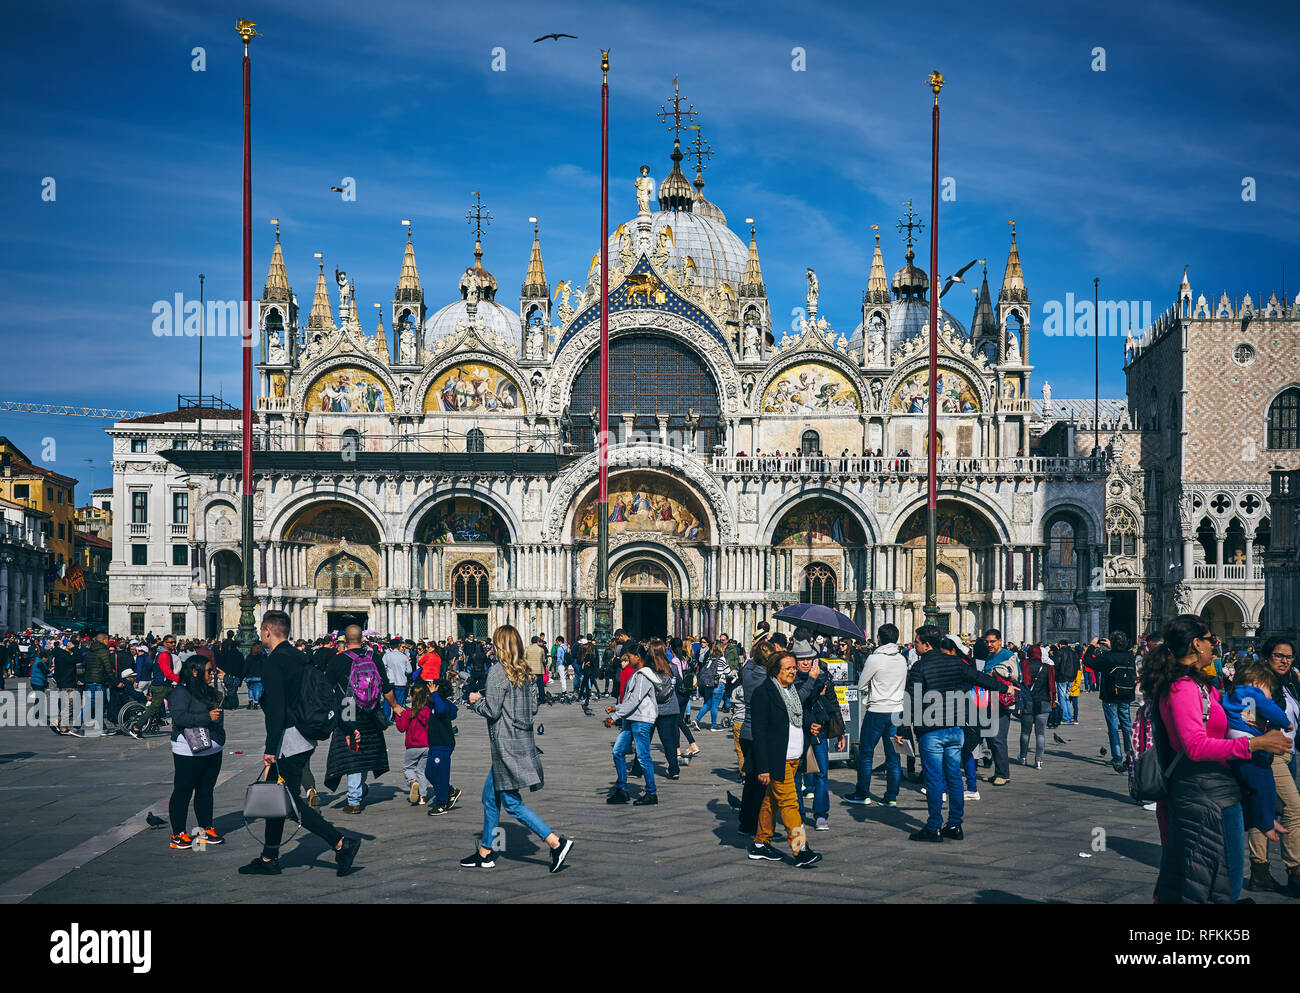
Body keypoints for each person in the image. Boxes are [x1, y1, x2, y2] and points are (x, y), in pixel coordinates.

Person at [1145, 614, 1290, 903]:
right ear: (1196, 644)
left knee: (1209, 880)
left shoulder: (1199, 685)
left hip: (1213, 792)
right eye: (1211, 639)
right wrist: (1256, 743)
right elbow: (1195, 746)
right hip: (1204, 796)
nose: (1216, 644)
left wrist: (1260, 811)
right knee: (1224, 879)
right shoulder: (1182, 687)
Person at [239, 610, 361, 877]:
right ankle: (269, 857)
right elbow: (325, 693)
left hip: (288, 739)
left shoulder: (275, 662)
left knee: (289, 803)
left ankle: (341, 843)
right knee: (276, 799)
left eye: (262, 631)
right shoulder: (301, 656)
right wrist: (346, 725)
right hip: (304, 737)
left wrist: (271, 748)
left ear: (267, 631)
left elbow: (277, 710)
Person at [461, 625, 573, 872]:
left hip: (505, 746)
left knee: (511, 804)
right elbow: (533, 708)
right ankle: (486, 852)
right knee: (490, 798)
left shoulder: (498, 672)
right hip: (522, 741)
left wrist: (475, 701)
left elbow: (492, 710)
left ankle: (556, 842)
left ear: (499, 645)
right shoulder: (526, 672)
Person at [907, 625, 1005, 842]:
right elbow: (981, 678)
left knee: (934, 780)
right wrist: (1005, 688)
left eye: (917, 642)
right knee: (954, 778)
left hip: (931, 731)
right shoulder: (956, 663)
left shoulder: (919, 667)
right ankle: (955, 825)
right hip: (955, 730)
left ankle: (933, 827)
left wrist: (904, 729)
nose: (914, 645)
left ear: (926, 644)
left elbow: (912, 701)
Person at [747, 650, 822, 867]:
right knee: (790, 804)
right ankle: (801, 849)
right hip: (776, 758)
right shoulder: (764, 693)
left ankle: (760, 844)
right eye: (788, 668)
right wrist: (763, 767)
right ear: (775, 670)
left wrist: (809, 726)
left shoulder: (790, 690)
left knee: (771, 802)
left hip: (793, 757)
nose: (793, 671)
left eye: (793, 667)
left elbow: (793, 719)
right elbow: (759, 733)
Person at [1245, 635, 1300, 895]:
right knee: (1294, 808)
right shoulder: (1259, 682)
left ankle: (1260, 872)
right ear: (1268, 657)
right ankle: (1295, 869)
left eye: (1288, 656)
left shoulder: (1290, 683)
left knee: (1264, 809)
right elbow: (1247, 718)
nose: (1284, 660)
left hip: (1289, 754)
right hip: (1269, 754)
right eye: (1279, 655)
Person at [324, 626, 395, 813]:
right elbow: (386, 686)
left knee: (352, 752)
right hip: (371, 709)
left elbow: (326, 688)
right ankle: (360, 789)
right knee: (363, 751)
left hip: (348, 707)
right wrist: (395, 706)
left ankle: (354, 799)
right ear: (362, 639)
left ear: (344, 640)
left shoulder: (337, 660)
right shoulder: (373, 658)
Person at [1221, 658, 1293, 843]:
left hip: (1234, 741)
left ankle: (1266, 820)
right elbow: (1270, 708)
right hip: (1248, 743)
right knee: (1264, 782)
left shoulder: (1232, 694)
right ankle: (1267, 823)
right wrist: (1286, 723)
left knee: (1252, 785)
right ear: (1256, 683)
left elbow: (1247, 715)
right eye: (1268, 689)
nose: (1269, 695)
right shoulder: (1253, 693)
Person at [166, 656, 226, 849]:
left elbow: (230, 702)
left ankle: (205, 828)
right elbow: (180, 717)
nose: (211, 674)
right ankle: (178, 834)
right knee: (183, 791)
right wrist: (206, 716)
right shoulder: (180, 692)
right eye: (208, 671)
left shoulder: (208, 691)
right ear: (194, 671)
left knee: (206, 791)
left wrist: (227, 683)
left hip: (212, 748)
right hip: (188, 750)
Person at [846, 624, 906, 806]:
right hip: (896, 711)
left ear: (879, 638)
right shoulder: (902, 659)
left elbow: (862, 684)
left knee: (866, 753)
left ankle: (862, 793)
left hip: (877, 711)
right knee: (893, 756)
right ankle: (891, 797)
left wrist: (874, 686)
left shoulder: (875, 659)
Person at [604, 642, 661, 805]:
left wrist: (615, 716)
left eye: (629, 656)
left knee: (643, 757)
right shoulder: (637, 674)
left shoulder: (644, 675)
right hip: (631, 718)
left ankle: (651, 792)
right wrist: (616, 707)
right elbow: (630, 701)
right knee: (618, 751)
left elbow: (635, 701)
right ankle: (622, 789)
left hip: (641, 720)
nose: (627, 660)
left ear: (638, 657)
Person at [1095, 632, 1138, 772]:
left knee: (1113, 727)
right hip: (1125, 696)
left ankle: (1117, 757)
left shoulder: (1108, 657)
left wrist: (1091, 646)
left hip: (1110, 697)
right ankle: (1130, 755)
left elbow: (1089, 661)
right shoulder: (1130, 656)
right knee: (1126, 726)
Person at [130, 634, 179, 738]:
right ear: (165, 643)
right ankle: (136, 728)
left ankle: (178, 729)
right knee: (153, 708)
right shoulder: (164, 655)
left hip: (165, 685)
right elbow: (167, 672)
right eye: (171, 642)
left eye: (174, 642)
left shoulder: (162, 653)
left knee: (176, 705)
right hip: (161, 686)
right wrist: (181, 680)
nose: (173, 644)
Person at [424, 678, 461, 815]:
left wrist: (435, 695)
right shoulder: (434, 705)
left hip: (443, 745)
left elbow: (444, 710)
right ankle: (450, 791)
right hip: (435, 745)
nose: (428, 695)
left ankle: (442, 803)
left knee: (441, 774)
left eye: (431, 693)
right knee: (429, 772)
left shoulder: (443, 706)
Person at [1017, 644, 1056, 769]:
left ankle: (1023, 757)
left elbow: (1019, 682)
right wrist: (1053, 700)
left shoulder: (1023, 665)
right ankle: (1038, 760)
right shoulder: (1047, 667)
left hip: (1028, 702)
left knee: (1025, 732)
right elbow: (1051, 686)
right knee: (1040, 734)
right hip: (1043, 703)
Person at [649, 639, 682, 780]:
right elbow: (680, 682)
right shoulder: (672, 667)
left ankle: (637, 768)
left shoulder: (649, 669)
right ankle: (674, 769)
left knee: (644, 740)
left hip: (651, 708)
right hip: (669, 708)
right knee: (668, 740)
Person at [397, 682, 432, 806]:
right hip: (427, 746)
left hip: (412, 746)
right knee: (422, 771)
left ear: (411, 697)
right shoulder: (428, 711)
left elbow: (401, 728)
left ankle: (412, 782)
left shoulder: (408, 713)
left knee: (408, 768)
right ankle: (422, 797)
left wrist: (397, 715)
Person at [383, 638, 413, 723]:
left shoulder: (386, 656)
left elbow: (383, 667)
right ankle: (398, 719)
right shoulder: (404, 656)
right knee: (399, 701)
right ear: (399, 645)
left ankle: (386, 719)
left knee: (387, 701)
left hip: (390, 681)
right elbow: (409, 670)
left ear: (390, 646)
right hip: (401, 681)